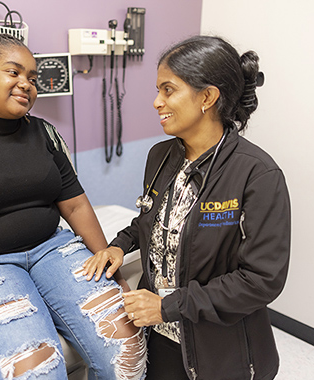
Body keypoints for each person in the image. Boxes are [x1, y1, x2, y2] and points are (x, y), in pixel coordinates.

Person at [0, 29, 146, 380]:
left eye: (33, 77)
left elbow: (76, 207)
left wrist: (115, 276)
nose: (27, 84)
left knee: (128, 348)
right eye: (13, 72)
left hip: (53, 249)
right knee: (35, 371)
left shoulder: (46, 134)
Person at [83, 35, 291, 379]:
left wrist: (167, 306)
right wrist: (120, 245)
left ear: (207, 97)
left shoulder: (257, 174)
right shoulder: (160, 157)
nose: (156, 102)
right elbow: (152, 217)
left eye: (168, 90)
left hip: (221, 349)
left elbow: (261, 280)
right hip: (162, 338)